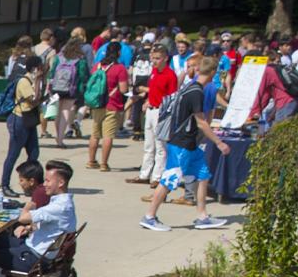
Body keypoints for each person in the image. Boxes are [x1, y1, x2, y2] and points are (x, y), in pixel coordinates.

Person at [143, 56, 230, 233]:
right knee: (170, 179)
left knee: (203, 174)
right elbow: (202, 122)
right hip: (181, 143)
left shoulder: (189, 87)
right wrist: (219, 142)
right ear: (213, 73)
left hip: (188, 143)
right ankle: (149, 216)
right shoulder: (196, 92)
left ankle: (202, 216)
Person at [0, 161, 76, 277]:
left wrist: (27, 208)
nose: (44, 184)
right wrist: (30, 227)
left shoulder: (58, 207)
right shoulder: (65, 203)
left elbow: (23, 217)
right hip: (36, 249)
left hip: (34, 258)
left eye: (48, 180)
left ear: (61, 182)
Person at [130, 46, 177, 185]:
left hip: (161, 111)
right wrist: (147, 100)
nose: (154, 61)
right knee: (148, 144)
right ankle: (144, 174)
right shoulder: (155, 72)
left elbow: (171, 97)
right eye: (153, 58)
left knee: (160, 146)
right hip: (151, 109)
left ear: (165, 58)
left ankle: (157, 177)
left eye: (157, 58)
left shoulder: (170, 75)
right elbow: (154, 90)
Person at [0, 54, 44, 197]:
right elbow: (33, 100)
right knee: (13, 154)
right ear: (35, 68)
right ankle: (4, 185)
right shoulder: (24, 81)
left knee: (34, 153)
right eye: (41, 67)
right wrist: (38, 81)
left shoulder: (35, 80)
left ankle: (30, 182)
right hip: (19, 120)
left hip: (30, 119)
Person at [87, 43, 128, 171]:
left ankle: (91, 161)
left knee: (95, 134)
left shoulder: (97, 67)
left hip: (97, 104)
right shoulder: (120, 68)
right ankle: (104, 164)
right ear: (119, 53)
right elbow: (123, 89)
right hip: (112, 104)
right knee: (108, 135)